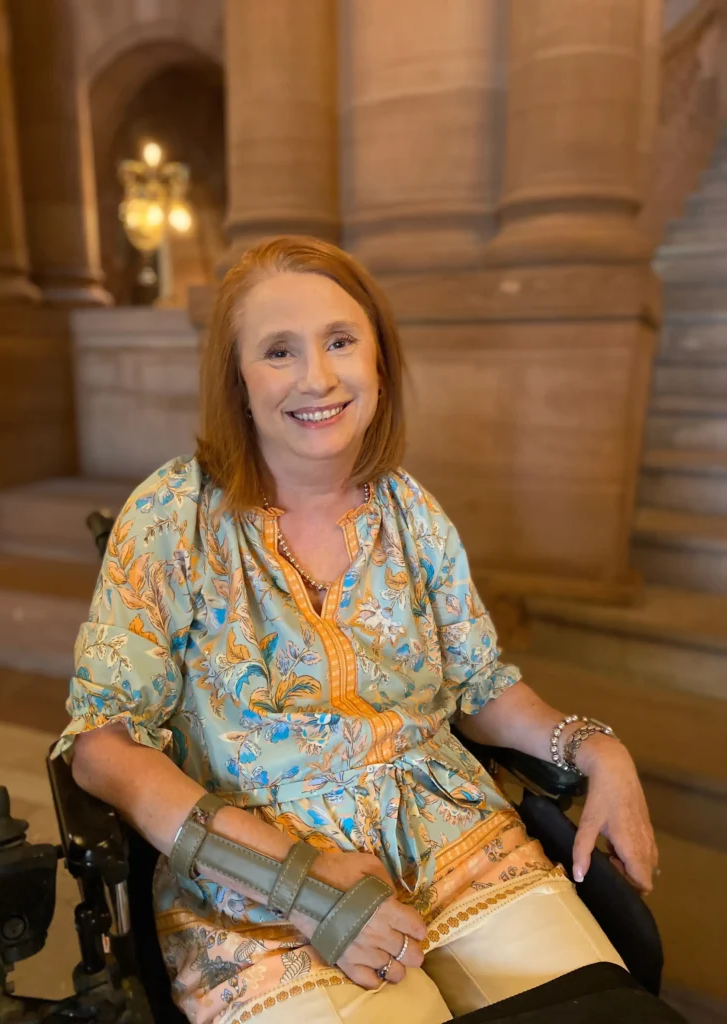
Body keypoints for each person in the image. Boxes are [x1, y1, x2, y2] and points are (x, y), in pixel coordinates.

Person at [55, 236, 657, 1024]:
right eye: (279, 351)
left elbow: (477, 688)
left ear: (378, 359)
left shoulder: (410, 511)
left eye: (341, 341)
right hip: (257, 893)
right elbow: (104, 745)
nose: (318, 377)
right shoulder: (173, 516)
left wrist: (595, 747)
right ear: (236, 379)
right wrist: (295, 881)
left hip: (456, 841)